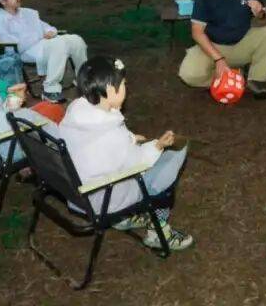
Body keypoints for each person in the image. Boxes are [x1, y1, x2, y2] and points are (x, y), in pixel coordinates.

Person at [60, 56, 193, 251]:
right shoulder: (112, 134)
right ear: (109, 90)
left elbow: (103, 147)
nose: (126, 88)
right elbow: (139, 163)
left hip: (80, 194)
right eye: (123, 84)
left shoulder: (75, 112)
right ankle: (158, 232)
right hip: (106, 198)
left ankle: (123, 220)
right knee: (175, 155)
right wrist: (158, 145)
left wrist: (129, 139)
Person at [0, 0, 88, 104]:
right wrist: (39, 36)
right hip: (25, 51)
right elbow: (10, 45)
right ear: (3, 1)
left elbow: (47, 27)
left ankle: (83, 78)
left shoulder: (28, 13)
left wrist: (50, 32)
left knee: (76, 40)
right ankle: (50, 89)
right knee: (59, 44)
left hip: (43, 44)